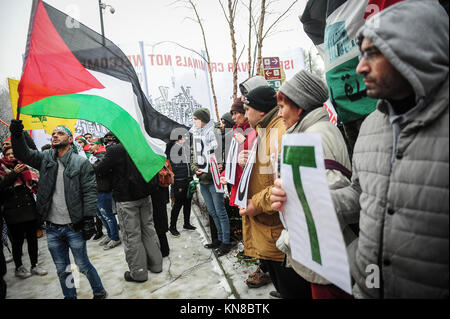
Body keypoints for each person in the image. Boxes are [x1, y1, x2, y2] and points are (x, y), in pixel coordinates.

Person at [334, 0, 448, 298]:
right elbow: (363, 194)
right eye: (361, 53)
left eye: (373, 53)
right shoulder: (371, 126)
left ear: (415, 52)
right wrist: (310, 197)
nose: (360, 67)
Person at [269, 70, 354, 299]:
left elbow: (329, 204)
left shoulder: (314, 136)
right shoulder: (311, 132)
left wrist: (288, 237)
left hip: (329, 261)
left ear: (299, 107)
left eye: (282, 107)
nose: (279, 115)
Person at [9, 122, 107, 299]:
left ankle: (99, 291)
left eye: (60, 133)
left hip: (74, 227)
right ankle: (71, 296)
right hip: (53, 228)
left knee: (82, 265)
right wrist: (17, 135)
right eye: (53, 133)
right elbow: (23, 153)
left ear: (69, 139)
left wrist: (88, 219)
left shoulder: (80, 163)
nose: (55, 135)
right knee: (63, 270)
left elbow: (90, 192)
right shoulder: (45, 159)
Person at [239, 85, 313, 299]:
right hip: (270, 231)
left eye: (247, 109)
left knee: (293, 288)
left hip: (279, 234)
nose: (245, 115)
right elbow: (268, 173)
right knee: (284, 285)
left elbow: (287, 183)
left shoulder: (279, 133)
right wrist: (247, 164)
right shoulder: (264, 130)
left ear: (261, 110)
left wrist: (256, 203)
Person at [94, 137, 163, 283]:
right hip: (145, 194)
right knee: (149, 230)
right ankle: (156, 265)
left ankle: (138, 273)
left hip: (126, 199)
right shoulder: (143, 144)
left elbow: (99, 169)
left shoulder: (115, 150)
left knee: (132, 236)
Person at [0, 146, 48, 279]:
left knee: (33, 240)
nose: (11, 156)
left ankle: (35, 265)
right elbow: (2, 187)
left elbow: (34, 183)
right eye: (8, 154)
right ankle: (19, 267)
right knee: (17, 242)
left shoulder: (24, 166)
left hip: (29, 209)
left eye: (13, 153)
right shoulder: (2, 169)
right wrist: (13, 174)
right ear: (4, 156)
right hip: (13, 212)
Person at [191, 108, 232, 257]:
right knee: (213, 211)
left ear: (203, 119)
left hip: (215, 179)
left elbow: (221, 154)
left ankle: (226, 241)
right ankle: (219, 239)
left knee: (220, 211)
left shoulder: (214, 133)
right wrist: (196, 169)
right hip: (203, 181)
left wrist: (219, 166)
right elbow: (193, 156)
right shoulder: (196, 135)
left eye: (196, 118)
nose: (194, 121)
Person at [89, 138, 121, 250]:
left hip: (103, 189)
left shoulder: (103, 156)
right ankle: (110, 234)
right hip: (94, 190)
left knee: (107, 215)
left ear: (99, 146)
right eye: (89, 145)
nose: (89, 147)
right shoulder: (93, 157)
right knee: (101, 216)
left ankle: (115, 238)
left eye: (92, 144)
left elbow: (99, 170)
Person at [168, 134, 196, 237]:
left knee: (188, 201)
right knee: (178, 203)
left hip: (188, 178)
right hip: (179, 179)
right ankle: (172, 227)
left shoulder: (186, 147)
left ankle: (187, 223)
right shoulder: (172, 148)